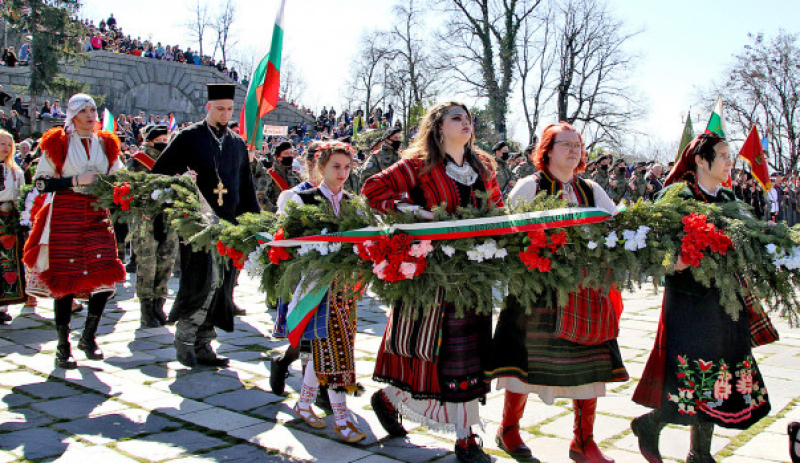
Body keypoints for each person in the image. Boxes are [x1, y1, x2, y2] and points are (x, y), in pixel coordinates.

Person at [362, 102, 503, 463]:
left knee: (468, 355)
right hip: (432, 275)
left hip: (475, 274)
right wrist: (419, 214)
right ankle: (462, 436)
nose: (466, 122)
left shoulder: (483, 166)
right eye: (456, 117)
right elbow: (373, 189)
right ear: (438, 127)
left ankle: (399, 404)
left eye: (468, 118)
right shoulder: (418, 164)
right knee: (433, 351)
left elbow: (499, 210)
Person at [631, 133, 774, 463]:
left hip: (727, 299)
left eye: (730, 156)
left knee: (720, 375)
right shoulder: (675, 196)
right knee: (690, 376)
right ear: (700, 159)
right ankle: (651, 424)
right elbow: (648, 246)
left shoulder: (728, 198)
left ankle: (700, 453)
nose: (729, 162)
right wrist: (673, 260)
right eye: (723, 155)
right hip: (688, 302)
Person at [490, 122, 626, 463]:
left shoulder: (592, 189)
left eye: (578, 145)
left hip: (584, 293)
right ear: (547, 149)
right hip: (535, 292)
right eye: (566, 144)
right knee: (523, 362)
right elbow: (506, 234)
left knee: (590, 366)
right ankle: (509, 430)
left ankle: (584, 441)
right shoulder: (529, 186)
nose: (574, 151)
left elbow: (616, 229)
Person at [151, 83, 260, 368]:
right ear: (208, 107)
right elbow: (160, 173)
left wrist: (254, 222)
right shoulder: (189, 137)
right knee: (202, 281)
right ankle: (185, 337)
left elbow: (246, 186)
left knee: (222, 286)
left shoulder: (236, 143)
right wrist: (182, 181)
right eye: (220, 108)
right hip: (197, 226)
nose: (225, 114)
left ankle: (204, 344)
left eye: (229, 109)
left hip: (229, 227)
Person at [23, 94, 126, 369]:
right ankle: (62, 344)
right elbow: (42, 183)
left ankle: (89, 336)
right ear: (73, 115)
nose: (91, 116)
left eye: (93, 110)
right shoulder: (58, 142)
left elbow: (120, 175)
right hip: (66, 213)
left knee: (104, 276)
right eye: (84, 111)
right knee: (65, 280)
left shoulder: (106, 143)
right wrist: (75, 180)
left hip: (97, 212)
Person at [281, 142, 367, 443]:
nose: (343, 173)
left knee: (330, 347)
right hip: (317, 288)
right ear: (320, 167)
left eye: (347, 167)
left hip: (346, 288)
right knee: (335, 351)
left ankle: (304, 403)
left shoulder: (353, 203)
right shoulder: (302, 199)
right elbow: (290, 243)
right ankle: (341, 418)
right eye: (336, 167)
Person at [128, 125, 177, 327]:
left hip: (168, 216)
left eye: (167, 139)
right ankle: (146, 308)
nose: (165, 143)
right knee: (147, 264)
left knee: (166, 262)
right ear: (151, 141)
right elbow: (128, 187)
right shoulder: (139, 160)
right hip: (146, 218)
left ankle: (159, 304)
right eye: (161, 139)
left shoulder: (173, 159)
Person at [0, 130, 26, 324]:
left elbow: (21, 196)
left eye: (9, 145)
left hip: (8, 219)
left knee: (8, 261)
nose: (5, 148)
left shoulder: (15, 172)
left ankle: (2, 305)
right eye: (2, 144)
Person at [263, 141, 302, 212]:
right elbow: (262, 198)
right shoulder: (269, 175)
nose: (289, 156)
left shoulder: (296, 175)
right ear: (278, 157)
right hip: (275, 217)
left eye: (291, 153)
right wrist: (276, 211)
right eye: (286, 153)